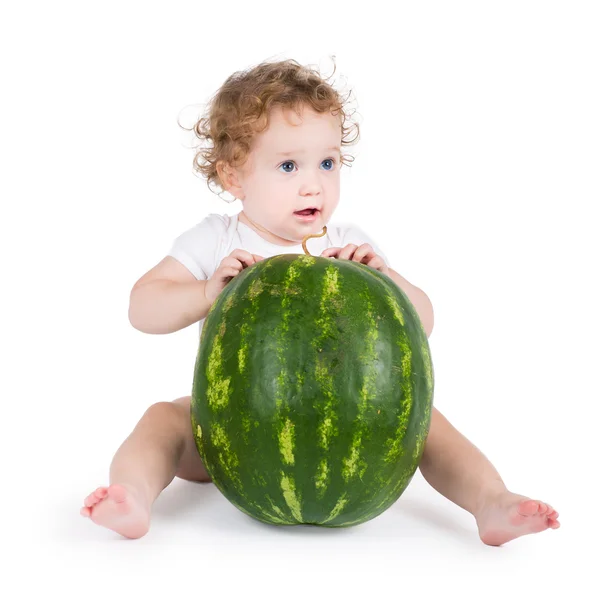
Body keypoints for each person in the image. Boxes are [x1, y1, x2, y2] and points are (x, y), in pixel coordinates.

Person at [80, 58, 560, 544]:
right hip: (234, 435)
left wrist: (384, 277)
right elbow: (142, 308)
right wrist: (206, 293)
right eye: (288, 165)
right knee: (165, 418)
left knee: (427, 423)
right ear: (233, 177)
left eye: (327, 163)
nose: (314, 184)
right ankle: (133, 494)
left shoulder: (348, 244)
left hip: (354, 428)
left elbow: (425, 321)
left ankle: (490, 501)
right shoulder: (217, 240)